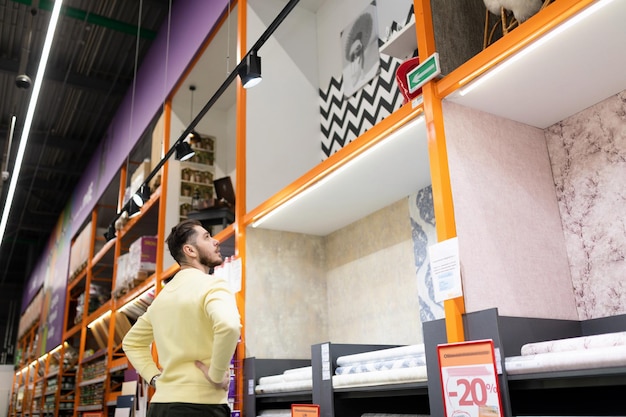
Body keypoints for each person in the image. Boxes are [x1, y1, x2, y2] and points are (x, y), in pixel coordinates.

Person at [122, 219, 241, 417]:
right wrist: (216, 375)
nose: (215, 241)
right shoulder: (212, 286)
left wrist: (154, 379)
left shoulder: (162, 298)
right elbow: (228, 326)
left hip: (159, 406)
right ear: (190, 251)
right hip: (201, 406)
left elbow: (131, 343)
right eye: (206, 237)